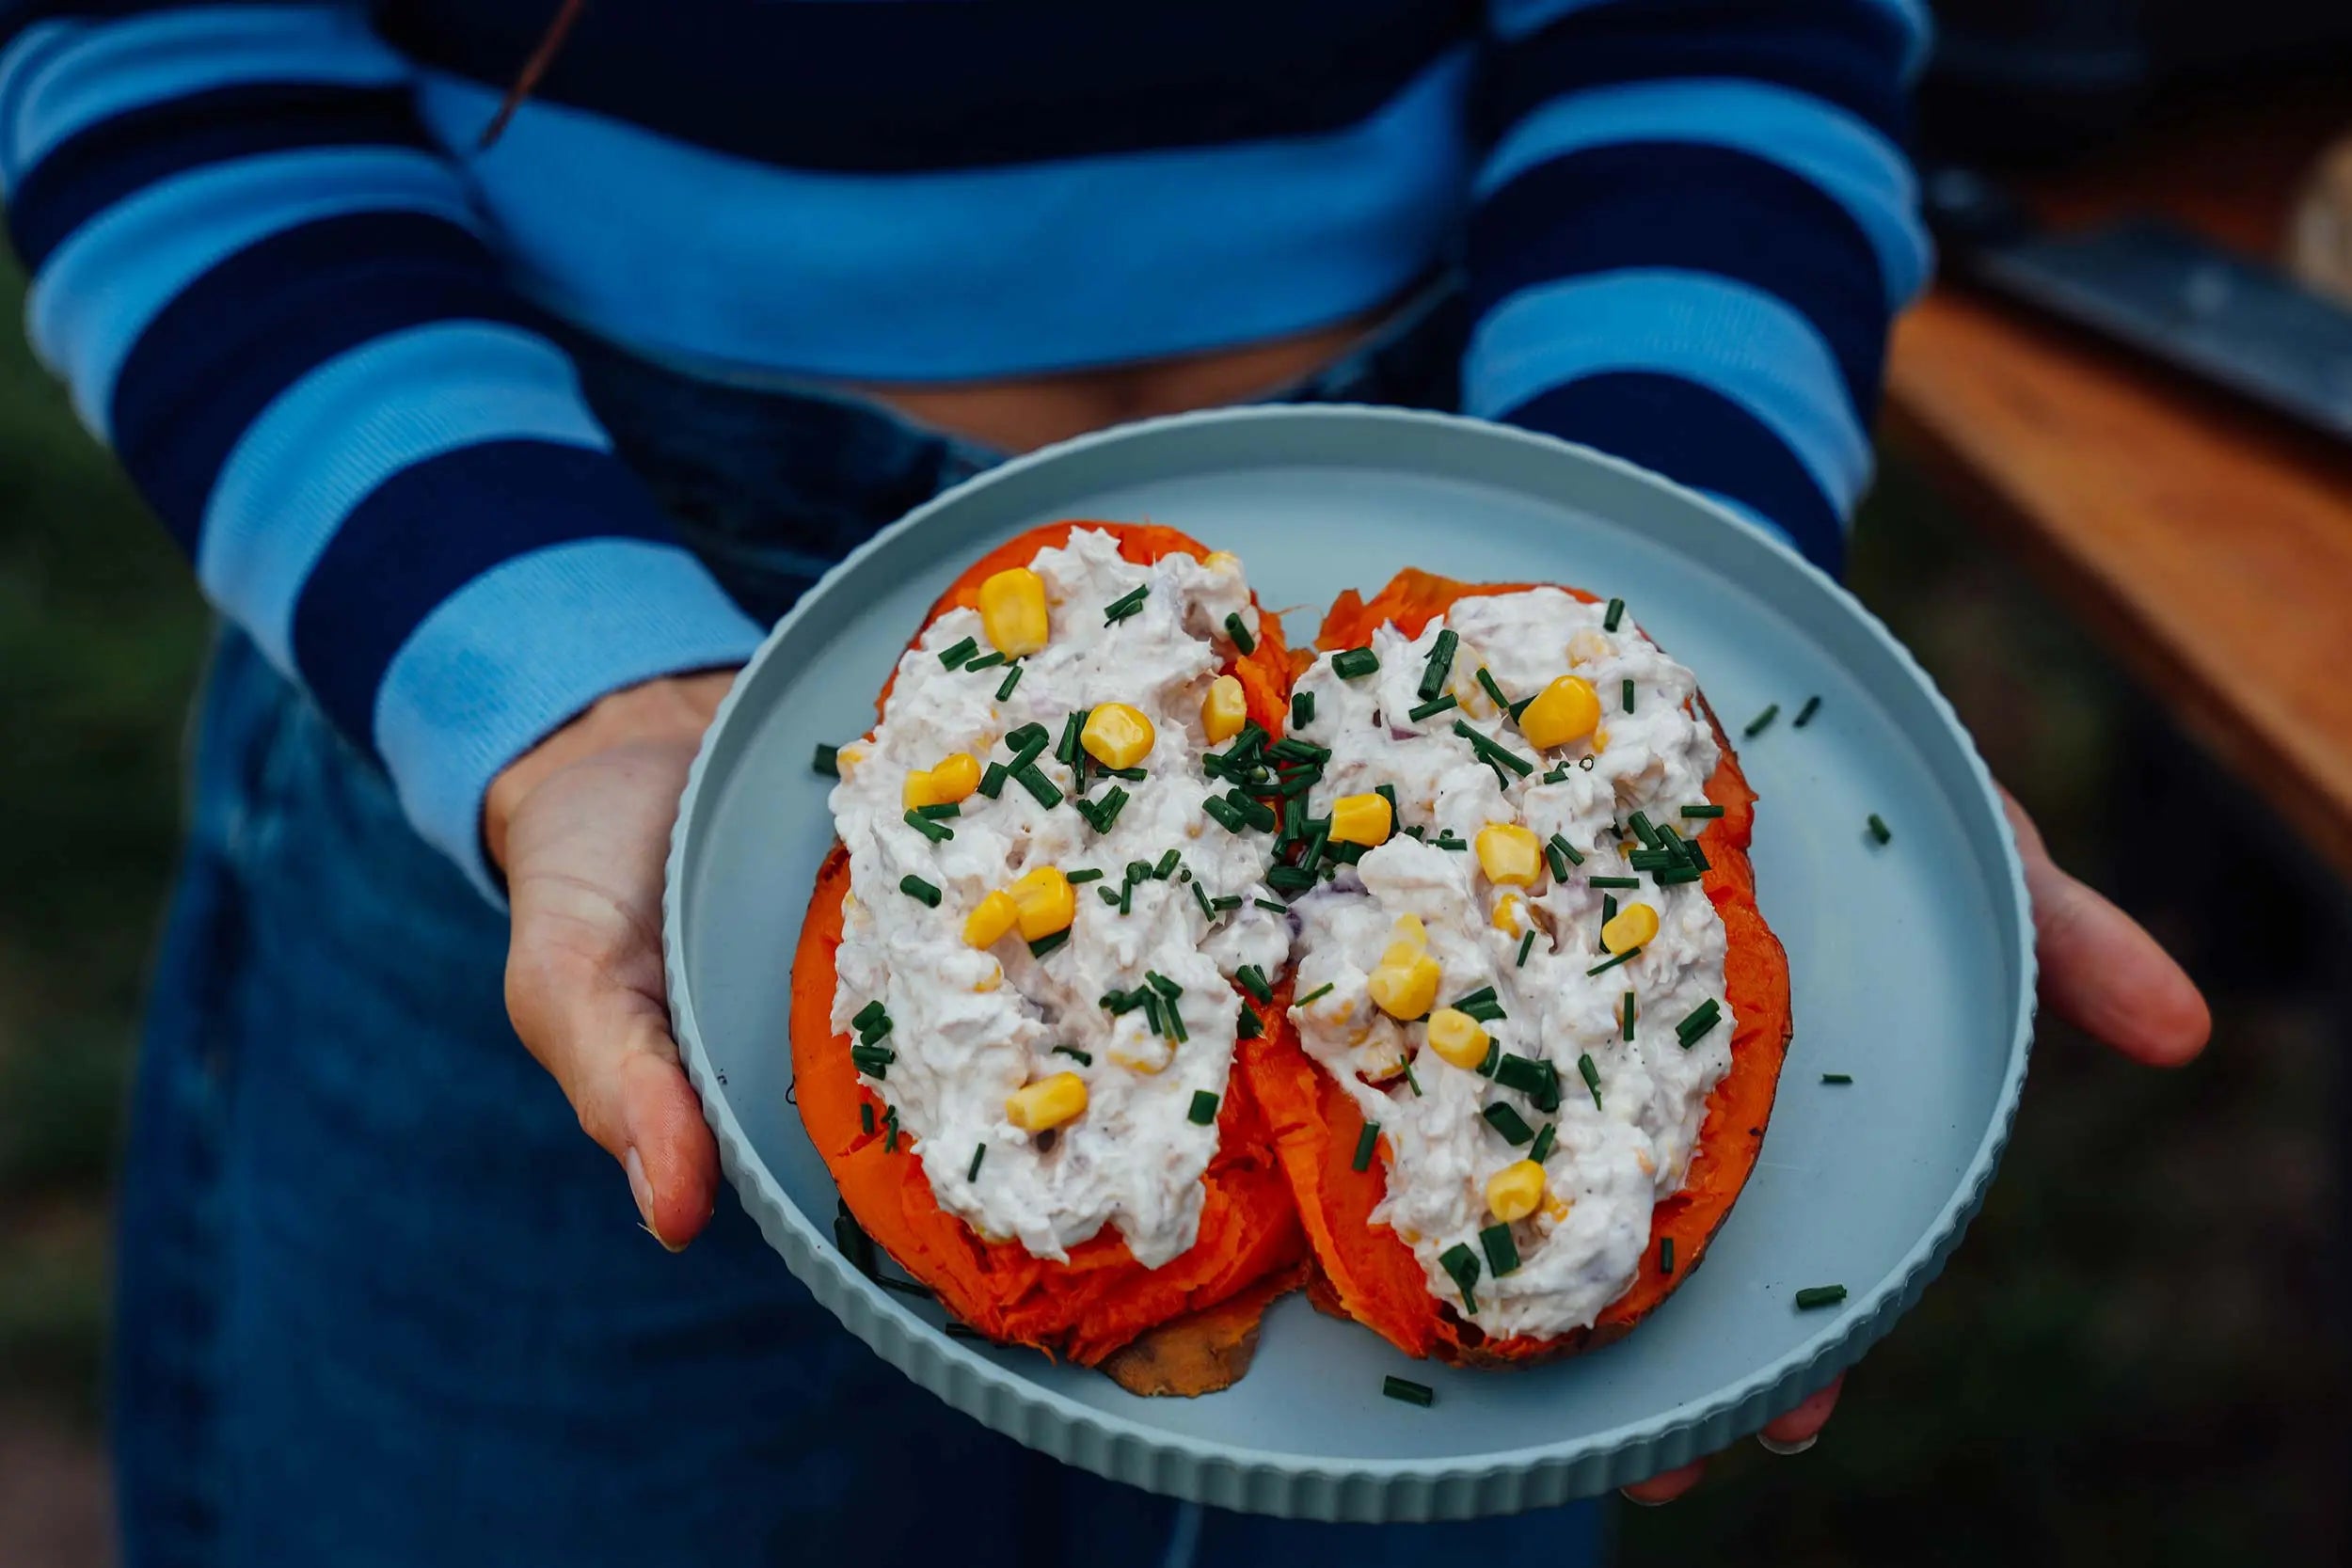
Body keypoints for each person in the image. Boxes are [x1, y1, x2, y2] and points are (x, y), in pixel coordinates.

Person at [0, 2, 2209, 1561]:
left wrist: (1655, 604)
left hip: (1498, 483)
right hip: (551, 565)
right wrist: (552, 682)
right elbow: (166, 46)